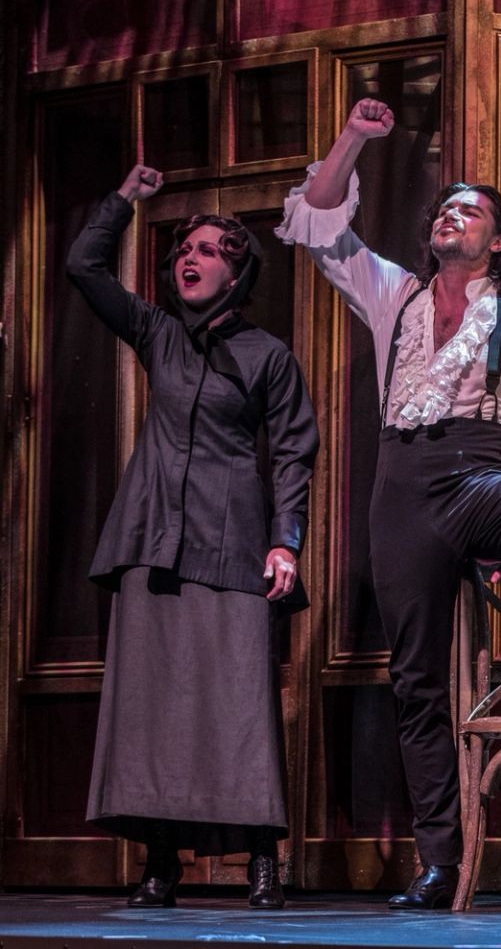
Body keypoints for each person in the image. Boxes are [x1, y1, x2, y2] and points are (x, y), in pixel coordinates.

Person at [277, 99, 501, 911]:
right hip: (401, 484)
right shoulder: (396, 297)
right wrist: (355, 136)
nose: (452, 215)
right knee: (415, 679)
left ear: (499, 241)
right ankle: (440, 859)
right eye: (446, 208)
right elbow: (317, 224)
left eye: (470, 211)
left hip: (477, 473)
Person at [72, 165, 317, 910]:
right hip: (151, 541)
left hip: (232, 540)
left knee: (239, 704)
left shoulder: (268, 356)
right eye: (185, 248)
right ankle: (160, 862)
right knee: (152, 707)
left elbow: (294, 452)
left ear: (237, 274)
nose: (191, 257)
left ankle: (262, 859)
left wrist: (285, 540)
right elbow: (83, 266)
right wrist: (124, 199)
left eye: (209, 250)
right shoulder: (157, 333)